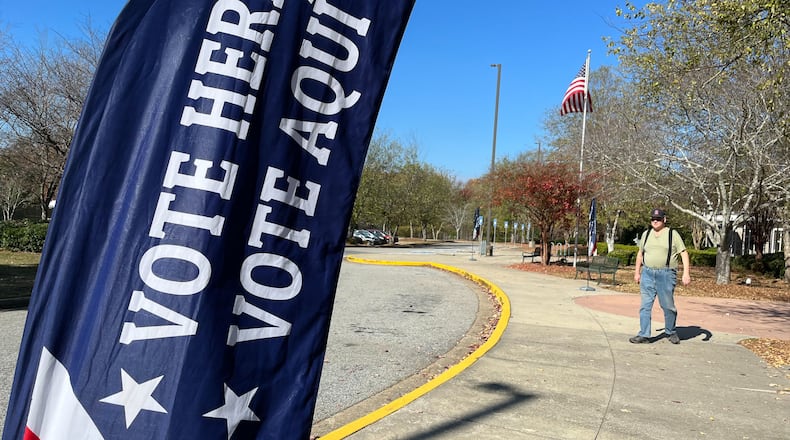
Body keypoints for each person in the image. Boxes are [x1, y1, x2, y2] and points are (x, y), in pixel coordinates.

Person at [630, 208, 691, 344]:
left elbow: (684, 253)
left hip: (666, 274)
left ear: (664, 220)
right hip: (647, 273)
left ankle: (671, 331)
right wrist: (637, 272)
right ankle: (644, 334)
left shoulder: (672, 234)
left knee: (667, 306)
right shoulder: (646, 234)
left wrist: (686, 273)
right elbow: (640, 254)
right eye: (653, 219)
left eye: (658, 219)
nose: (655, 221)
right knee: (645, 305)